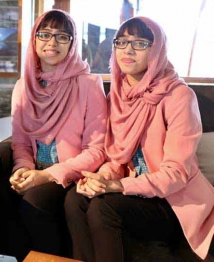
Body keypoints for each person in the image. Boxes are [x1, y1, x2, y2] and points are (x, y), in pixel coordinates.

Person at [64, 16, 214, 261]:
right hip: (136, 191)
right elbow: (117, 158)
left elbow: (176, 173)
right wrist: (102, 177)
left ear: (156, 50)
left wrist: (118, 186)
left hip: (174, 202)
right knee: (75, 198)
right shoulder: (118, 94)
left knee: (104, 208)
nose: (128, 50)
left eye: (140, 43)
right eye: (121, 42)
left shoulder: (179, 96)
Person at [5, 9, 107, 260]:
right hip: (35, 170)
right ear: (35, 39)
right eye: (45, 34)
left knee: (35, 201)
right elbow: (20, 142)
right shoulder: (24, 85)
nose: (52, 42)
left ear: (72, 44)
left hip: (71, 174)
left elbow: (96, 150)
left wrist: (45, 175)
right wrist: (22, 169)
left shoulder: (89, 84)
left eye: (62, 36)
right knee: (0, 200)